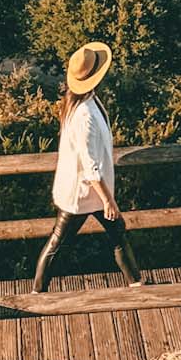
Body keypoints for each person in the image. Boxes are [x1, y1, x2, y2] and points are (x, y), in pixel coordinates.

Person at [33, 40, 143, 295]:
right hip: (83, 193)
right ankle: (37, 291)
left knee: (116, 235)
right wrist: (108, 201)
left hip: (88, 191)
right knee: (59, 243)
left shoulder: (83, 103)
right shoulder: (85, 115)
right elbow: (90, 165)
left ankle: (136, 283)